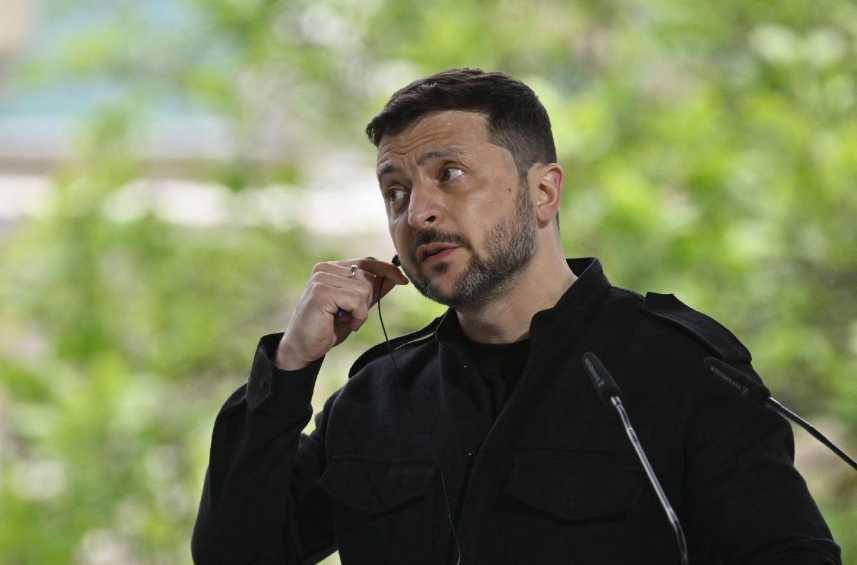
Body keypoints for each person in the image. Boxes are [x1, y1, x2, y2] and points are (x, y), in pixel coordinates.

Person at [191, 69, 841, 564]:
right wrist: (291, 365)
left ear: (543, 192)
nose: (417, 212)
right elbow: (236, 554)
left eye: (449, 174)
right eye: (395, 191)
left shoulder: (680, 370)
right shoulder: (377, 396)